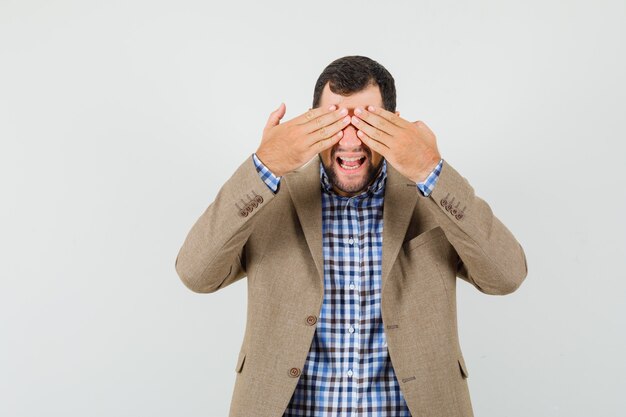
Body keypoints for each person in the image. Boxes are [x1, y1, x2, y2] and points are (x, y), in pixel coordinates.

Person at [174, 55, 528, 417]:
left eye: (367, 121)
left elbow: (506, 276)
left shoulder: (430, 193)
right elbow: (196, 274)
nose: (349, 140)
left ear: (395, 124)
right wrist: (263, 166)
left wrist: (429, 170)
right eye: (333, 120)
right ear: (309, 123)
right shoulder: (270, 195)